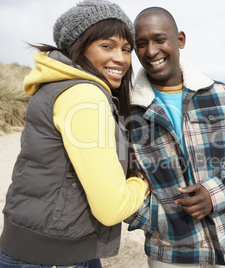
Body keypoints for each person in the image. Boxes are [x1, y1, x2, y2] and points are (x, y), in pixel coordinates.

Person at [0, 0, 148, 267]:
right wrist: (141, 184)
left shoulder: (55, 85)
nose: (121, 58)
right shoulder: (84, 95)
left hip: (34, 242)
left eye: (127, 49)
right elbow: (111, 208)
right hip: (53, 254)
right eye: (107, 46)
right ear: (78, 46)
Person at [127, 7, 225, 267]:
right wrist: (157, 219)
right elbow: (115, 182)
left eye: (159, 39)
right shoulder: (126, 109)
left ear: (180, 40)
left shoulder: (220, 94)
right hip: (167, 251)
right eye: (141, 44)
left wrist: (214, 194)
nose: (151, 51)